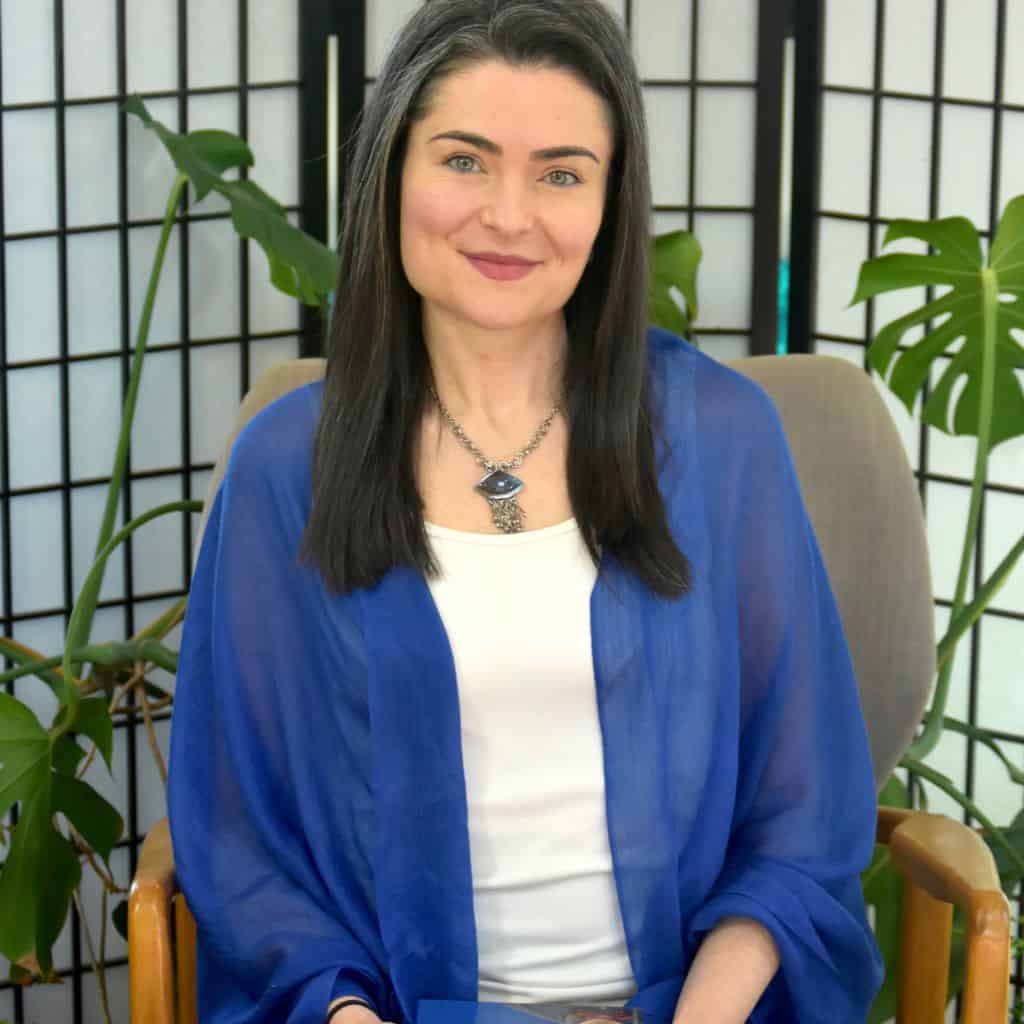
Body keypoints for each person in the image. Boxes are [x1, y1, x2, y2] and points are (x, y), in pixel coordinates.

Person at [167, 1, 884, 1022]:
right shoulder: (289, 467)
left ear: (609, 202)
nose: (509, 215)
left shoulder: (724, 441)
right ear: (391, 173)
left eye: (560, 173)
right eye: (463, 160)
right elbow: (242, 851)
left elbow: (800, 817)